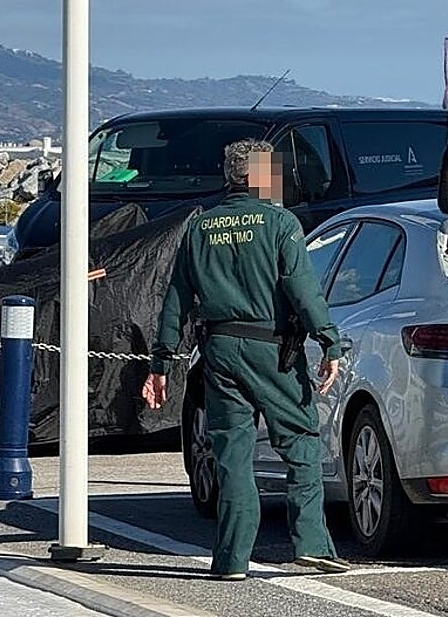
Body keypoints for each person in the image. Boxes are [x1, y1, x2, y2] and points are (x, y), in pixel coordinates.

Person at [142, 139, 348, 581]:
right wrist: (329, 341)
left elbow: (175, 300)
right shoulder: (280, 223)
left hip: (218, 350)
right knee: (300, 444)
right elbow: (302, 289)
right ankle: (311, 543)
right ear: (258, 176)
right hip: (271, 349)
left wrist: (160, 363)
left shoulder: (200, 229)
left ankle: (231, 559)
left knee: (232, 455)